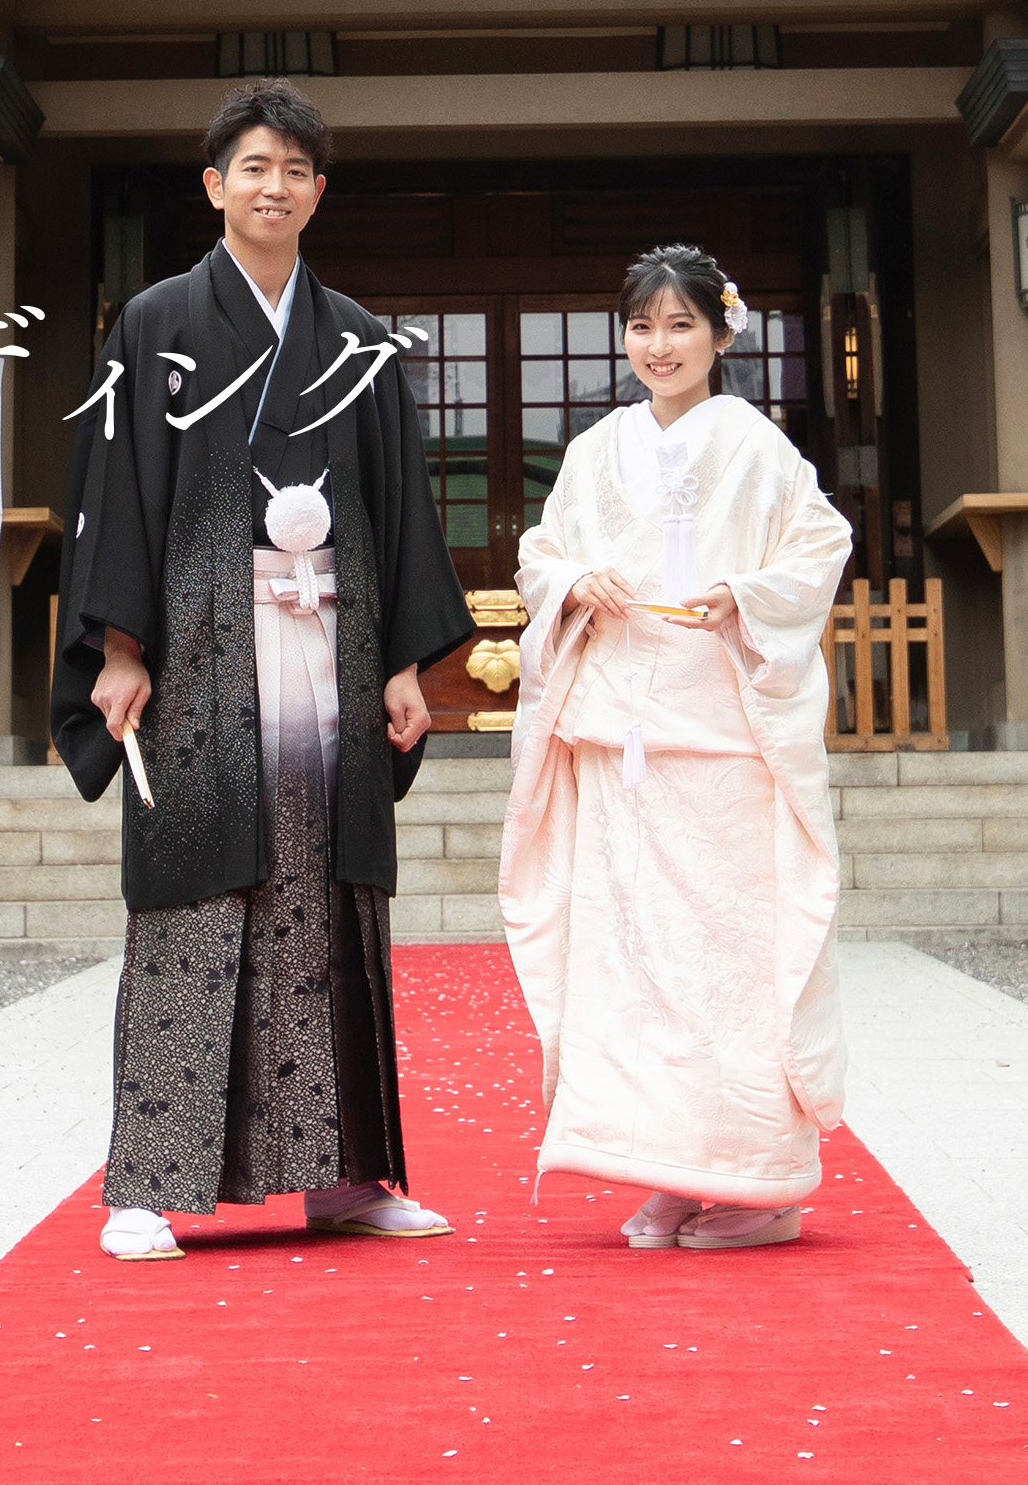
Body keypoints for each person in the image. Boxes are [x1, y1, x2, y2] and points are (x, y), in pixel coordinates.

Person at [53, 78, 473, 1262]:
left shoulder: (359, 341)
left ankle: (344, 1177)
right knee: (192, 898)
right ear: (213, 186)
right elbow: (113, 493)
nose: (272, 187)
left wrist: (402, 664)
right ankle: (148, 1184)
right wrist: (118, 647)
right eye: (252, 167)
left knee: (330, 900)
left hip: (335, 645)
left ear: (317, 192)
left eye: (294, 170)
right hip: (198, 651)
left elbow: (397, 507)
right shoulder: (155, 324)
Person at [500, 243, 857, 1250]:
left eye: (680, 325)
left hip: (722, 735)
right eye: (642, 326)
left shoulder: (755, 445)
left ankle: (757, 1184)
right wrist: (575, 582)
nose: (659, 346)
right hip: (619, 731)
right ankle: (665, 1169)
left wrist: (744, 593)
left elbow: (819, 544)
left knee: (727, 961)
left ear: (719, 333)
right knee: (631, 962)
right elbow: (541, 551)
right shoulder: (594, 449)